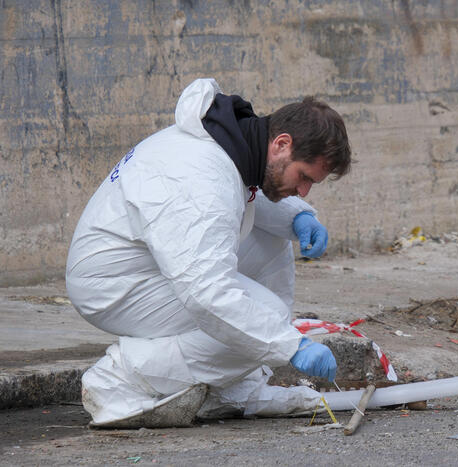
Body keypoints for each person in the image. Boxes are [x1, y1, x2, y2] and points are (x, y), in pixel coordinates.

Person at [65, 78, 352, 428]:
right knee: (265, 315)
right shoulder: (200, 179)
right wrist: (288, 344)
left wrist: (298, 216)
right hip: (113, 286)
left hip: (143, 262)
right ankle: (122, 376)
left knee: (273, 237)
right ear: (281, 144)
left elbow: (244, 193)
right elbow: (207, 294)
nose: (305, 190)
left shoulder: (228, 146)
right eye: (304, 176)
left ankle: (236, 384)